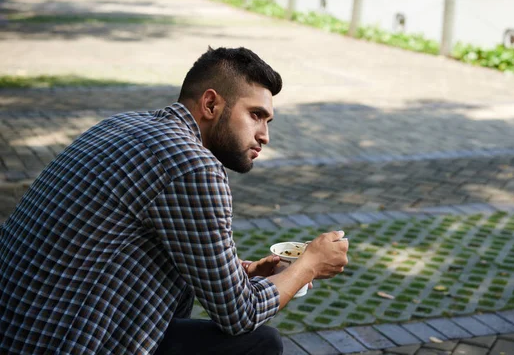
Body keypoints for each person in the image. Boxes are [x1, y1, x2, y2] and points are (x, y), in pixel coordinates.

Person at [0, 47, 349, 354]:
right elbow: (238, 315)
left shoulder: (121, 124)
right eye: (255, 115)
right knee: (259, 342)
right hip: (62, 341)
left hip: (21, 329)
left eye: (268, 120)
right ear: (211, 103)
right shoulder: (192, 166)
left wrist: (242, 272)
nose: (265, 136)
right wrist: (309, 265)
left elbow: (131, 241)